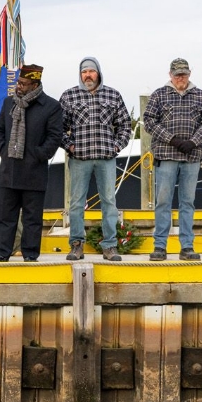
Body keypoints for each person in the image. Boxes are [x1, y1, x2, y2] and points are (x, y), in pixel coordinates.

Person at [142, 58, 202, 261]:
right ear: (170, 75)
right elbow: (148, 121)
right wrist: (171, 139)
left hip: (192, 156)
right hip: (166, 156)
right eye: (177, 74)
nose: (180, 78)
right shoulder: (159, 95)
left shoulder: (201, 96)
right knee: (163, 201)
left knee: (187, 202)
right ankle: (159, 246)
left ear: (189, 74)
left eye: (183, 74)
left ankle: (187, 246)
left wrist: (193, 141)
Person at [60, 56, 130, 261]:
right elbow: (58, 128)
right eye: (84, 72)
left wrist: (117, 145)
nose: (87, 75)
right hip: (79, 158)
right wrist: (69, 145)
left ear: (98, 72)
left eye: (91, 71)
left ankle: (109, 246)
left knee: (109, 201)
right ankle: (76, 245)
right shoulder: (69, 96)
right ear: (80, 74)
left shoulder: (113, 95)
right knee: (76, 203)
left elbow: (125, 124)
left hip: (106, 158)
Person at [0, 65, 64, 261]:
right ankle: (2, 252)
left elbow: (55, 136)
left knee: (32, 218)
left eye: (23, 83)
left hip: (34, 171)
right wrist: (4, 151)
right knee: (5, 216)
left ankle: (30, 254)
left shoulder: (51, 106)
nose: (19, 86)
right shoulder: (8, 103)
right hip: (9, 169)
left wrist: (39, 155)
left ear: (35, 84)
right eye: (18, 82)